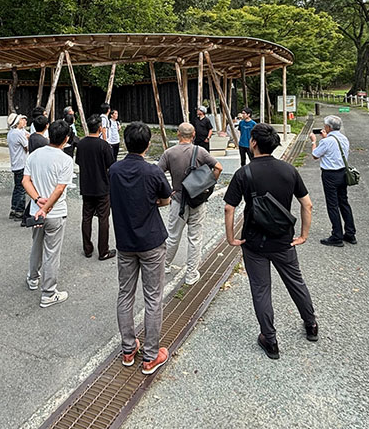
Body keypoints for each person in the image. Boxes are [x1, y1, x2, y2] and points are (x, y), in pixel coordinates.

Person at [224, 123, 318, 360]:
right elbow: (307, 204)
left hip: (254, 242)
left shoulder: (243, 173)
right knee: (295, 282)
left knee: (261, 288)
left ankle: (270, 338)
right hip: (283, 240)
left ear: (253, 143)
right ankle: (311, 325)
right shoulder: (289, 170)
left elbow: (229, 208)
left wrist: (231, 238)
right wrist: (303, 235)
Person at [110, 122, 172, 374]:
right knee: (153, 296)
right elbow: (166, 198)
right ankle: (150, 355)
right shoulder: (152, 171)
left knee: (125, 293)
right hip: (151, 241)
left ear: (125, 143)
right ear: (148, 144)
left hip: (125, 242)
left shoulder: (114, 170)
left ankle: (128, 349)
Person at [157, 122, 223, 284]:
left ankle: (165, 265)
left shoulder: (169, 153)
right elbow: (218, 167)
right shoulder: (200, 151)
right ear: (193, 135)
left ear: (178, 134)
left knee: (173, 236)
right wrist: (208, 183)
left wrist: (168, 192)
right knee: (195, 238)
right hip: (198, 200)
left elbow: (157, 175)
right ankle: (191, 274)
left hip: (178, 200)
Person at [22, 120, 75, 308]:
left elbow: (25, 181)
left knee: (36, 245)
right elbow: (59, 189)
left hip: (36, 211)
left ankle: (32, 278)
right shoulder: (66, 160)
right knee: (52, 252)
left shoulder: (34, 155)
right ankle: (48, 293)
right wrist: (46, 208)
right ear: (66, 139)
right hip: (55, 212)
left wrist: (37, 201)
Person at [311, 115, 357, 246]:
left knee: (332, 205)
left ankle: (336, 235)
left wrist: (314, 142)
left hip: (330, 175)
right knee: (344, 203)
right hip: (343, 173)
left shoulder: (326, 142)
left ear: (328, 127)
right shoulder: (343, 138)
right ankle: (350, 233)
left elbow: (315, 155)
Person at [75, 117, 117, 260]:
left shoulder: (81, 144)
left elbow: (78, 161)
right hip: (102, 185)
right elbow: (111, 165)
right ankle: (103, 250)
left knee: (86, 217)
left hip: (86, 184)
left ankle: (87, 248)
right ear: (100, 128)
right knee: (103, 218)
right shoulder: (103, 145)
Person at [7, 113, 29, 220]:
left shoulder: (11, 132)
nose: (24, 121)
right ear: (17, 122)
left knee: (17, 187)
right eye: (21, 119)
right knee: (21, 188)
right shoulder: (18, 134)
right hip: (21, 163)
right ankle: (20, 211)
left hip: (15, 163)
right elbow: (27, 147)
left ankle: (14, 209)